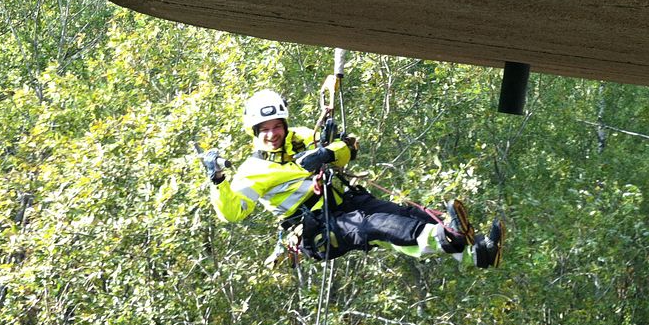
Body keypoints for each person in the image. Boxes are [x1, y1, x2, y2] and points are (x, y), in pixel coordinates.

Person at [205, 89, 504, 268]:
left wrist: (325, 153)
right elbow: (232, 213)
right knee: (378, 227)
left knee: (404, 213)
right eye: (264, 129)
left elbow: (348, 147)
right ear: (254, 131)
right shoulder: (252, 171)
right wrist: (218, 180)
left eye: (276, 126)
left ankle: (478, 253)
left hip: (345, 201)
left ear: (284, 124)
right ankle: (445, 239)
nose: (272, 134)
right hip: (316, 227)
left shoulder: (302, 137)